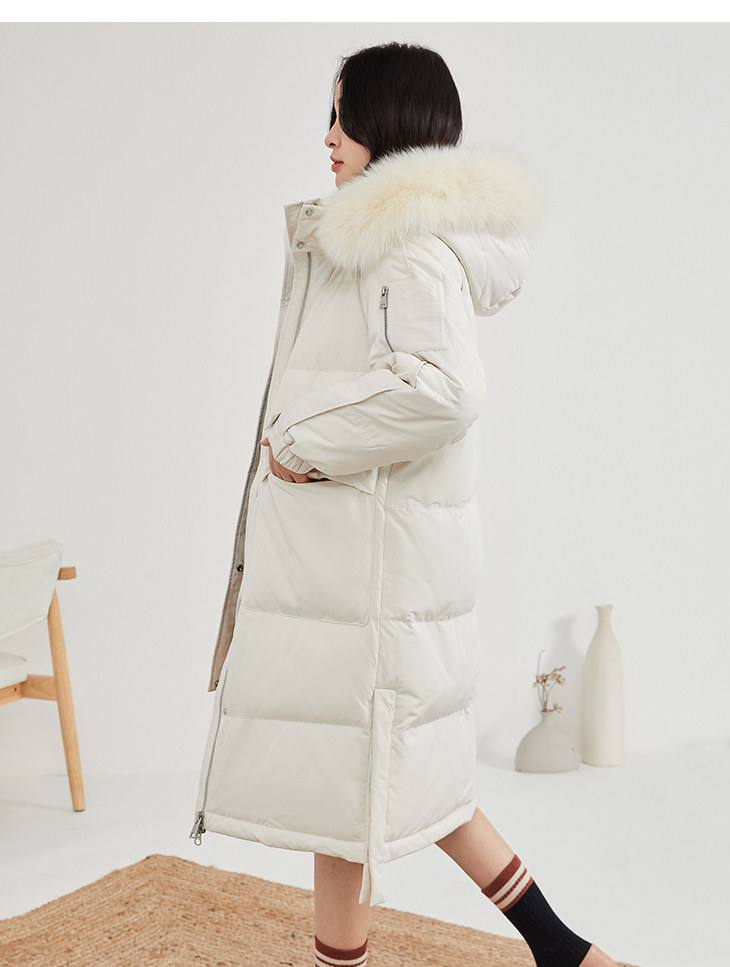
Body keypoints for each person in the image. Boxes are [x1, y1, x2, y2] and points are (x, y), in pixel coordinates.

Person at [191, 41, 619, 967]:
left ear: (386, 122)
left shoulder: (401, 241)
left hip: (371, 575)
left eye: (342, 116)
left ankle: (564, 950)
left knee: (372, 784)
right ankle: (567, 951)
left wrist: (298, 438)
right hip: (366, 567)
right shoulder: (387, 234)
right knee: (382, 785)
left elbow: (441, 389)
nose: (327, 137)